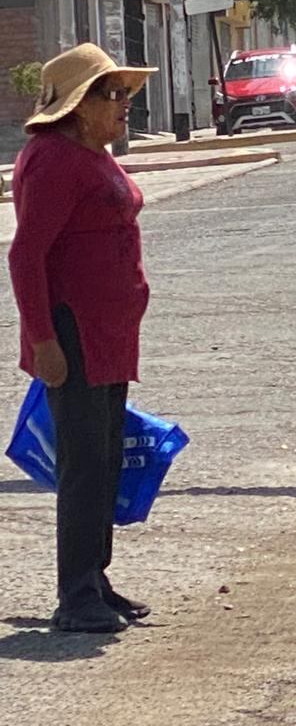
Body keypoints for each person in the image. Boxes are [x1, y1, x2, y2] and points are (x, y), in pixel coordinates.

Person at [7, 43, 156, 633]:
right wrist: (43, 341)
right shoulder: (52, 159)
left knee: (106, 458)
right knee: (84, 465)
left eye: (123, 94)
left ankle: (96, 579)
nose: (124, 105)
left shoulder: (93, 153)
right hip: (73, 334)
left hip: (109, 334)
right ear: (77, 105)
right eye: (111, 94)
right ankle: (76, 597)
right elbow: (26, 257)